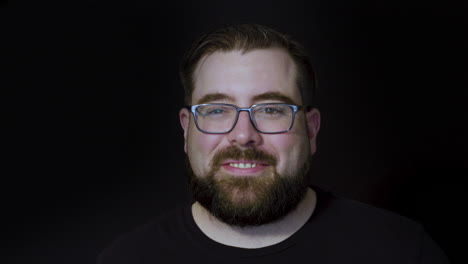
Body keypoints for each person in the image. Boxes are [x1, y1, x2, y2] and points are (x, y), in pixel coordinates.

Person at [98, 24, 450, 264]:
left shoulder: (400, 250)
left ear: (311, 131)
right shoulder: (129, 257)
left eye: (270, 109)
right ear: (186, 130)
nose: (243, 135)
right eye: (218, 109)